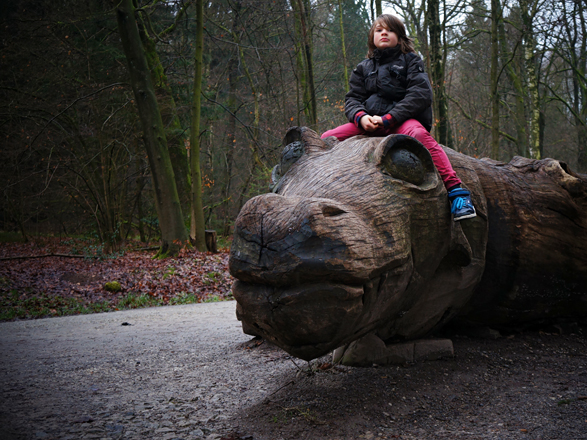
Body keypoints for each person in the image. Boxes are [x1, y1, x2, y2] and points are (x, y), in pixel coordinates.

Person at [321, 14, 476, 221]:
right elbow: (353, 99)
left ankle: (457, 193)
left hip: (402, 121)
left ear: (400, 36)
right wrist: (361, 117)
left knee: (419, 134)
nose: (384, 33)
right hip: (369, 123)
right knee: (326, 138)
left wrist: (389, 118)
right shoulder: (363, 68)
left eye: (390, 30)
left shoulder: (411, 61)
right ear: (372, 37)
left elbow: (420, 94)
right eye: (379, 30)